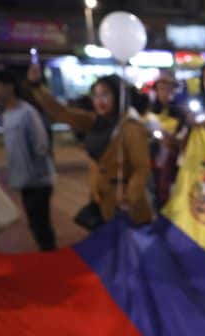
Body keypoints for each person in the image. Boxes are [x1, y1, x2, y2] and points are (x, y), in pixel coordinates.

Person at [26, 66, 152, 225]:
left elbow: (141, 168)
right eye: (96, 95)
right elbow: (61, 113)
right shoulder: (94, 121)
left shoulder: (130, 127)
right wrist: (37, 86)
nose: (100, 100)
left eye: (106, 94)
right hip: (101, 200)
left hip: (125, 206)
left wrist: (130, 198)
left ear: (119, 96)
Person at [0, 69, 56, 251]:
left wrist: (37, 170)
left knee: (41, 226)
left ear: (10, 87)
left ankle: (53, 262)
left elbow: (41, 145)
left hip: (38, 180)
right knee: (35, 225)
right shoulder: (7, 114)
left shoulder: (27, 112)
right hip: (24, 180)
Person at [148, 70, 188, 207]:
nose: (165, 92)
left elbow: (184, 135)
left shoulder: (180, 112)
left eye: (168, 88)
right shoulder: (149, 111)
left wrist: (174, 141)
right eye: (161, 88)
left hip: (171, 161)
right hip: (153, 160)